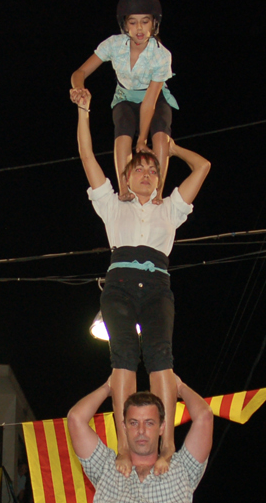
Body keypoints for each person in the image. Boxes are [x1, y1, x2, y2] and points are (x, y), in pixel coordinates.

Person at [75, 90, 210, 475]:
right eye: (139, 170)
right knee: (123, 359)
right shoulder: (112, 205)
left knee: (160, 359)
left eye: (153, 170)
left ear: (159, 177)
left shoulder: (171, 207)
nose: (146, 174)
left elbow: (203, 167)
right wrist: (84, 113)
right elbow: (87, 157)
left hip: (156, 288)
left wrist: (172, 147)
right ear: (127, 178)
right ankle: (122, 445)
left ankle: (167, 445)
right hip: (118, 286)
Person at [70, 0, 178, 201]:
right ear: (124, 24)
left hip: (154, 97)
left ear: (154, 24)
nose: (139, 28)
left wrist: (143, 138)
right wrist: (78, 88)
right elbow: (79, 72)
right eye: (133, 22)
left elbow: (149, 102)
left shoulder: (161, 55)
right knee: (123, 129)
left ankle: (158, 192)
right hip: (125, 97)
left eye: (145, 22)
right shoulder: (114, 44)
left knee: (160, 134)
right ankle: (124, 189)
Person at [67, 376, 212, 503]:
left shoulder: (181, 470)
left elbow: (204, 416)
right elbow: (76, 419)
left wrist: (179, 387)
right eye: (134, 423)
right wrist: (108, 387)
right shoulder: (107, 468)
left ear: (161, 427)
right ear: (124, 427)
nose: (141, 431)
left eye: (149, 423)